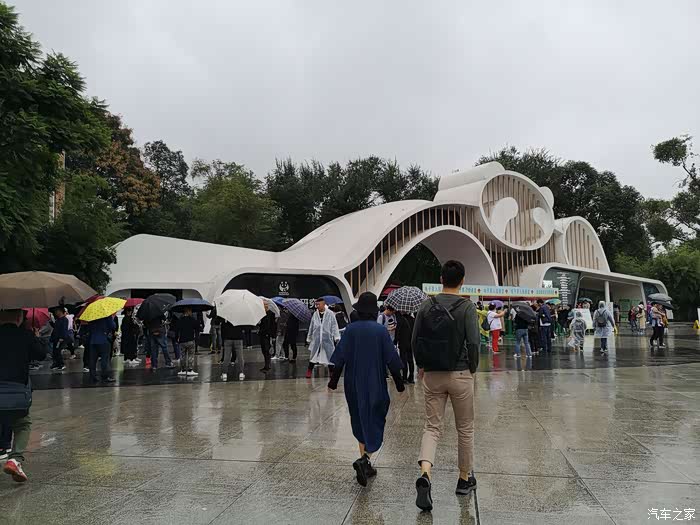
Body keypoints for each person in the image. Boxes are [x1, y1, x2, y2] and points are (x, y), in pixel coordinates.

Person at [412, 260, 480, 512]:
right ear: (462, 280)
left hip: (433, 374)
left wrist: (421, 365)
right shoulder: (467, 307)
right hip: (460, 373)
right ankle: (464, 478)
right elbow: (474, 343)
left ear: (441, 279)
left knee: (432, 427)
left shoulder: (426, 304)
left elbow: (414, 339)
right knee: (465, 428)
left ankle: (426, 473)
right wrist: (472, 368)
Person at [328, 292, 405, 487]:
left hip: (353, 383)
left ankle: (365, 463)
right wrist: (399, 383)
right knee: (376, 418)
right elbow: (392, 359)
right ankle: (365, 460)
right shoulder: (380, 331)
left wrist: (333, 382)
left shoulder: (350, 330)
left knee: (360, 419)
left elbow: (339, 359)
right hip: (374, 382)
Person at [0, 309, 45, 482]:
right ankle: (15, 459)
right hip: (17, 391)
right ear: (19, 318)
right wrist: (36, 337)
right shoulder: (25, 335)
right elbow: (41, 355)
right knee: (23, 424)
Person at [306, 298, 340, 378]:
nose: (317, 306)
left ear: (324, 304)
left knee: (330, 355)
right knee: (313, 355)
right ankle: (309, 370)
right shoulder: (315, 314)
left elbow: (334, 325)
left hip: (327, 338)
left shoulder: (330, 314)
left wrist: (336, 336)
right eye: (316, 305)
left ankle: (331, 371)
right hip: (317, 338)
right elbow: (311, 326)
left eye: (319, 304)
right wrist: (309, 337)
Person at [88, 314, 116, 383]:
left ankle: (92, 376)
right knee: (104, 359)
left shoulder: (91, 316)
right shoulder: (106, 315)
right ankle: (105, 377)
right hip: (103, 340)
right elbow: (113, 326)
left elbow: (89, 328)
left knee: (92, 360)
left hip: (93, 340)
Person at [176, 307, 202, 377]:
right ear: (188, 311)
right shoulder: (192, 320)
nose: (191, 313)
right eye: (190, 311)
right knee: (191, 355)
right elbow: (198, 328)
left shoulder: (180, 320)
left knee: (182, 356)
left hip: (182, 341)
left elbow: (177, 330)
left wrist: (176, 339)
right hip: (190, 340)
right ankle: (190, 370)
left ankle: (183, 370)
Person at [395, 310, 415, 383]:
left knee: (403, 360)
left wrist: (395, 341)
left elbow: (397, 331)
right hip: (411, 342)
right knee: (410, 360)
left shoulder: (400, 320)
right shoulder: (413, 319)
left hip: (403, 343)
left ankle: (404, 378)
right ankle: (411, 377)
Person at [258, 305, 277, 372]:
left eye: (266, 306)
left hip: (267, 334)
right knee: (264, 350)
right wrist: (259, 323)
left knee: (267, 350)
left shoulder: (271, 314)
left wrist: (273, 336)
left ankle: (267, 365)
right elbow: (261, 324)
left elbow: (273, 325)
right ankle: (267, 365)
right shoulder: (261, 314)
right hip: (262, 334)